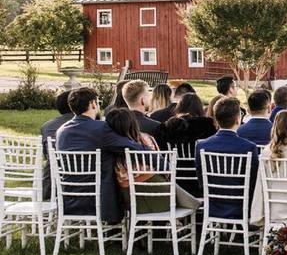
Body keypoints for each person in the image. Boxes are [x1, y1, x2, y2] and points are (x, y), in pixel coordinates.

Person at [55, 87, 145, 224]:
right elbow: (131, 147)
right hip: (99, 200)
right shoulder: (100, 128)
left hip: (69, 197)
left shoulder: (61, 131)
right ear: (93, 104)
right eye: (98, 102)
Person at [107, 107, 185, 215]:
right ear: (133, 123)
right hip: (159, 193)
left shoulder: (109, 146)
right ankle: (159, 232)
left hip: (129, 198)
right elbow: (163, 167)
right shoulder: (145, 139)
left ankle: (137, 231)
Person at [195, 97, 259, 221]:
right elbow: (253, 181)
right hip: (242, 205)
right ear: (238, 119)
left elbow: (201, 179)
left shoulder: (202, 145)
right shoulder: (249, 147)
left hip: (213, 202)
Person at [40, 91, 74, 201]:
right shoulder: (83, 124)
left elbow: (46, 154)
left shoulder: (47, 126)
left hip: (52, 175)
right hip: (82, 175)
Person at [122, 80, 167, 149]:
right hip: (150, 159)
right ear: (142, 100)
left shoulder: (118, 124)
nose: (150, 98)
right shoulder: (156, 126)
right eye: (148, 95)